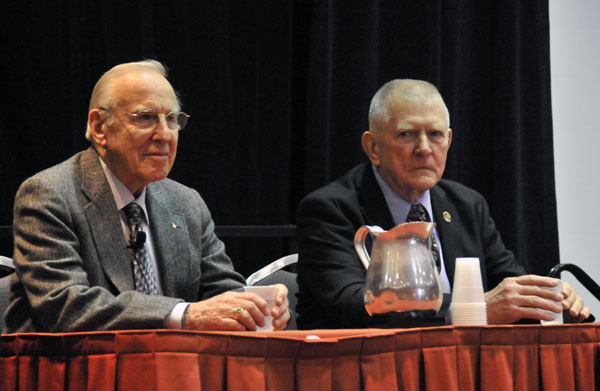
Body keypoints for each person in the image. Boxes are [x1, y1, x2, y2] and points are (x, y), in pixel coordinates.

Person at [5, 60, 290, 332]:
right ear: (99, 127)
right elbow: (65, 306)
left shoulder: (186, 202)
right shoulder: (49, 194)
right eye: (146, 118)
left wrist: (257, 306)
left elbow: (221, 291)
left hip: (176, 371)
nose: (165, 135)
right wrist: (182, 315)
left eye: (172, 119)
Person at [295, 79, 589, 329]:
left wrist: (546, 299)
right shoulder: (330, 210)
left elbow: (506, 282)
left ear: (448, 140)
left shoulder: (466, 205)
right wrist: (467, 310)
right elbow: (355, 306)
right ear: (374, 147)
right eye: (406, 134)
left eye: (435, 135)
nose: (424, 149)